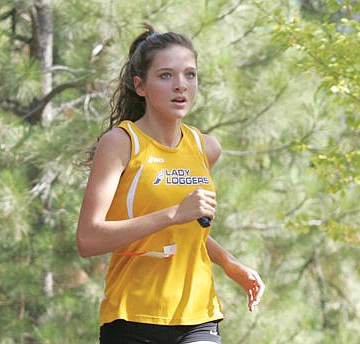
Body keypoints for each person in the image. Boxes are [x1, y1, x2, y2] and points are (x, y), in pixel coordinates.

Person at [76, 23, 265, 344]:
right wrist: (174, 213)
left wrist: (228, 262)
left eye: (190, 75)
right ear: (140, 86)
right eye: (166, 75)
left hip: (198, 315)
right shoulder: (121, 143)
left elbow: (185, 230)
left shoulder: (206, 148)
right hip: (133, 316)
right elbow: (88, 240)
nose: (181, 85)